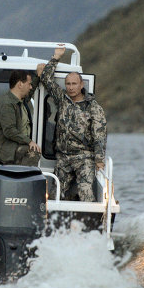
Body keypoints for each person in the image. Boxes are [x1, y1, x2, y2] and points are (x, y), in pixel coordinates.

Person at [40, 45, 107, 201]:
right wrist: (56, 57)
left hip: (84, 157)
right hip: (63, 157)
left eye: (74, 84)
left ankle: (90, 223)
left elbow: (99, 135)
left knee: (85, 192)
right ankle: (54, 223)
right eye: (68, 84)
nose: (70, 87)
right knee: (55, 195)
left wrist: (99, 160)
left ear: (81, 85)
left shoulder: (93, 107)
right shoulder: (62, 100)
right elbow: (46, 78)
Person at [0, 69, 44, 166]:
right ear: (20, 84)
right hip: (8, 150)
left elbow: (31, 91)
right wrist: (29, 142)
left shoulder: (21, 102)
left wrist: (38, 76)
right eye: (29, 84)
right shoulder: (7, 104)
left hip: (18, 146)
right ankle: (23, 178)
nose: (30, 87)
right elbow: (9, 130)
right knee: (33, 152)